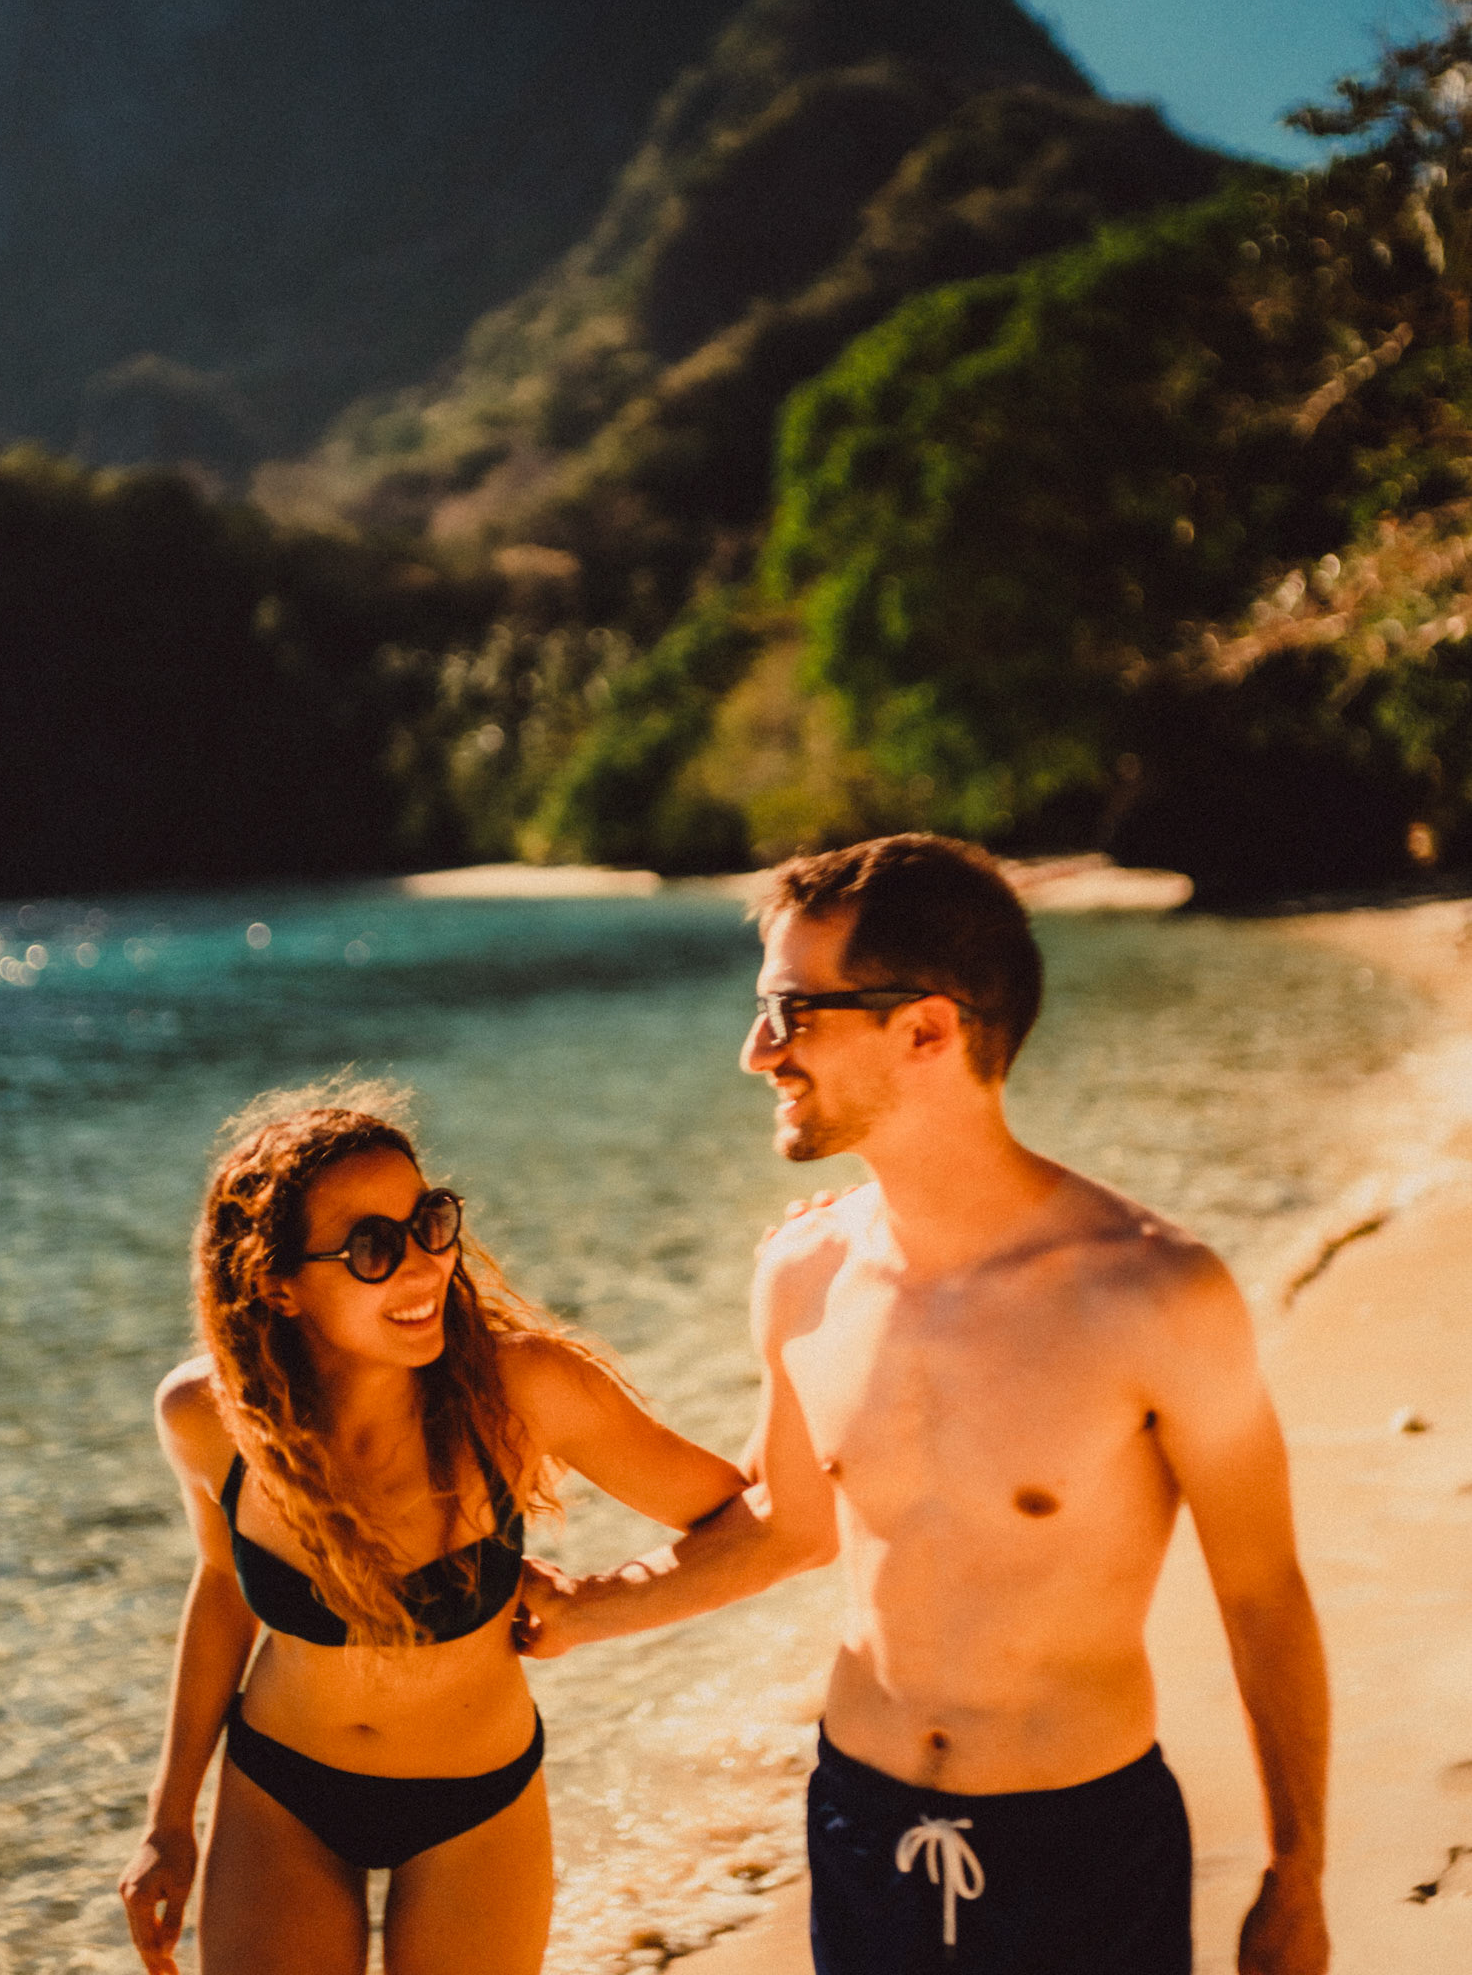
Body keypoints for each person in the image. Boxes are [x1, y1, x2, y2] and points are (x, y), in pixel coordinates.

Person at [518, 834, 1330, 1975]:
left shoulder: (1155, 1294)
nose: (758, 1052)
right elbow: (789, 1525)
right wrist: (582, 1611)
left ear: (927, 1030)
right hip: (863, 1829)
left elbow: (1263, 1593)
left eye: (792, 1012)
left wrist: (1298, 1875)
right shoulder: (802, 1274)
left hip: (1079, 1850)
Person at [118, 1081, 746, 1975]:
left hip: (474, 1809)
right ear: (277, 1285)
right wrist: (168, 1819)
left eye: (430, 1223)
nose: (423, 1267)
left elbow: (744, 1520)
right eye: (373, 1247)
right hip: (278, 1792)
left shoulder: (523, 1392)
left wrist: (595, 1608)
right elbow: (223, 1587)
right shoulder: (209, 1420)